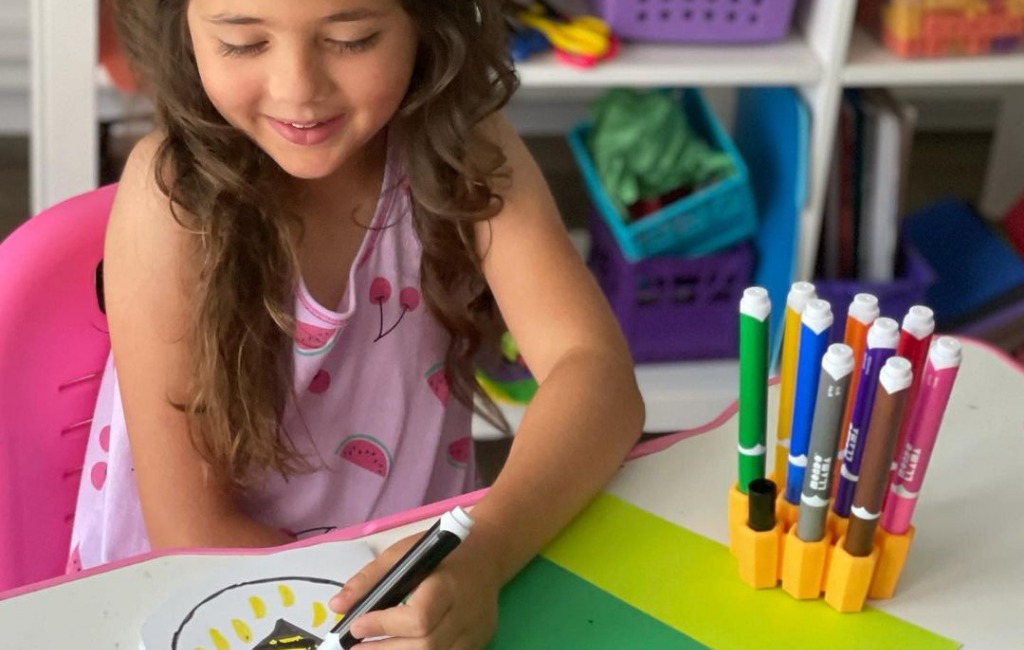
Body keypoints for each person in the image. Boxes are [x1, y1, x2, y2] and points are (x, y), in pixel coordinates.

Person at [69, 0, 644, 646]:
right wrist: (384, 610)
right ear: (185, 31)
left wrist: (482, 553)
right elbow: (193, 536)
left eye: (352, 38)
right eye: (242, 43)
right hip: (211, 608)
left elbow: (595, 372)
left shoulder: (463, 150)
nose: (299, 90)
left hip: (423, 593)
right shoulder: (170, 197)